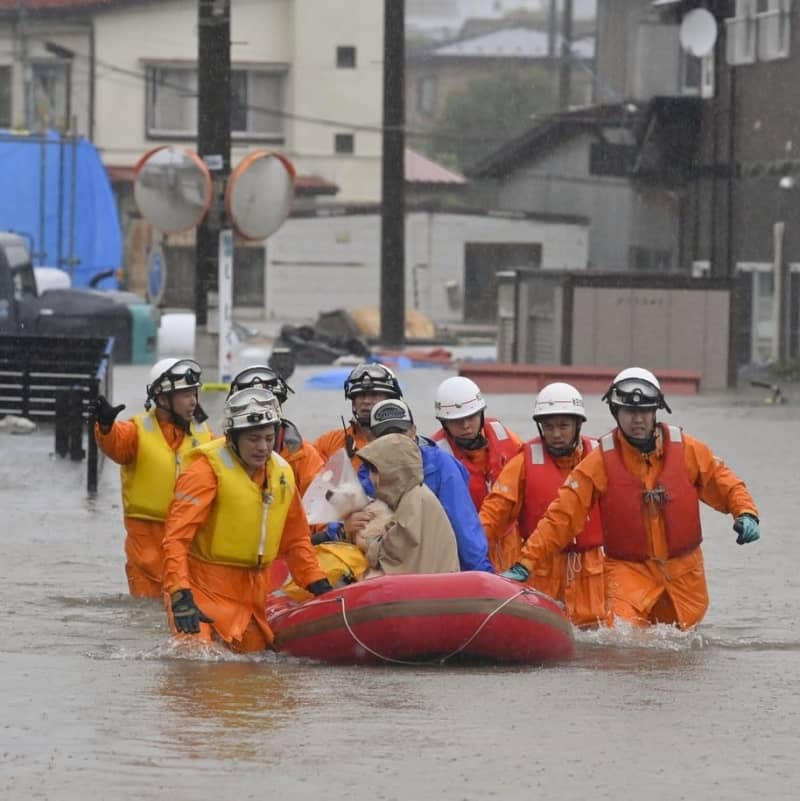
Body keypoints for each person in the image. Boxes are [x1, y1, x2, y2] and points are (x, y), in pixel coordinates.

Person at [502, 367, 760, 630]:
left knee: (683, 646)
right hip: (628, 571)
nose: (637, 419)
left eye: (644, 411)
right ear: (616, 413)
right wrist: (526, 563)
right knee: (622, 643)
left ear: (655, 411)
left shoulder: (688, 450)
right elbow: (561, 516)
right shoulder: (599, 462)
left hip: (685, 574)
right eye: (629, 412)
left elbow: (724, 482)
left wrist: (746, 512)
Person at [161, 387, 332, 653]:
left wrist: (317, 583)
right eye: (253, 439)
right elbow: (175, 540)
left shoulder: (282, 474)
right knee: (195, 668)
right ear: (232, 438)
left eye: (268, 437)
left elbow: (296, 539)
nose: (262, 447)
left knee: (255, 674)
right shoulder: (204, 472)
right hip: (202, 590)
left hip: (252, 597)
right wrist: (180, 593)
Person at [480, 383, 605, 626]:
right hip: (539, 568)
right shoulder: (523, 463)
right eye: (549, 427)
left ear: (578, 425)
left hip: (591, 571)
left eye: (563, 426)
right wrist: (470, 556)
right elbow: (494, 513)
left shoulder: (601, 458)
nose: (556, 434)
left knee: (594, 634)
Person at [89, 357, 215, 598]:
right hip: (145, 547)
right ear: (163, 398)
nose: (193, 402)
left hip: (190, 541)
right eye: (186, 395)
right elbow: (116, 443)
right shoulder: (136, 430)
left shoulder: (205, 434)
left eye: (194, 394)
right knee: (147, 614)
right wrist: (105, 426)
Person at [331, 398, 494, 572]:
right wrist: (344, 528)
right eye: (385, 434)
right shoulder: (368, 473)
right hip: (394, 571)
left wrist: (485, 578)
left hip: (432, 571)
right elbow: (335, 525)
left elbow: (466, 532)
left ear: (413, 431)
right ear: (371, 438)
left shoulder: (440, 466)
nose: (394, 440)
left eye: (400, 432)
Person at [431, 376, 521, 568]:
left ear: (481, 414)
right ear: (444, 423)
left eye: (470, 417)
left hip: (510, 543)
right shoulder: (436, 456)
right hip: (465, 549)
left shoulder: (503, 435)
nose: (465, 426)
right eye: (457, 421)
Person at [355, 433, 460, 576]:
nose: (370, 477)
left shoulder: (413, 501)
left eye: (375, 470)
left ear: (393, 472)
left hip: (426, 592)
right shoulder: (416, 495)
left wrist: (364, 544)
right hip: (436, 586)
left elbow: (396, 550)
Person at [227, 364, 324, 496]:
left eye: (268, 406)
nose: (261, 416)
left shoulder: (303, 455)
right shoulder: (216, 459)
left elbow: (320, 504)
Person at [314, 362, 402, 471]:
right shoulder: (329, 443)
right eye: (361, 395)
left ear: (391, 401)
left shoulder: (405, 445)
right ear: (353, 403)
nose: (366, 401)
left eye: (374, 395)